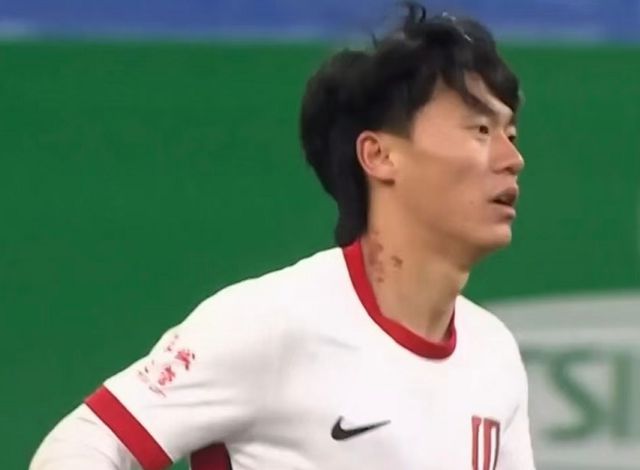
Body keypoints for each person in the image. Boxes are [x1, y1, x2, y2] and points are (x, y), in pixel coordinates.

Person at [30, 3, 535, 469]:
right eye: (480, 131)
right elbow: (82, 445)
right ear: (380, 156)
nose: (512, 159)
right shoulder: (270, 323)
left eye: (510, 135)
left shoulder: (493, 355)